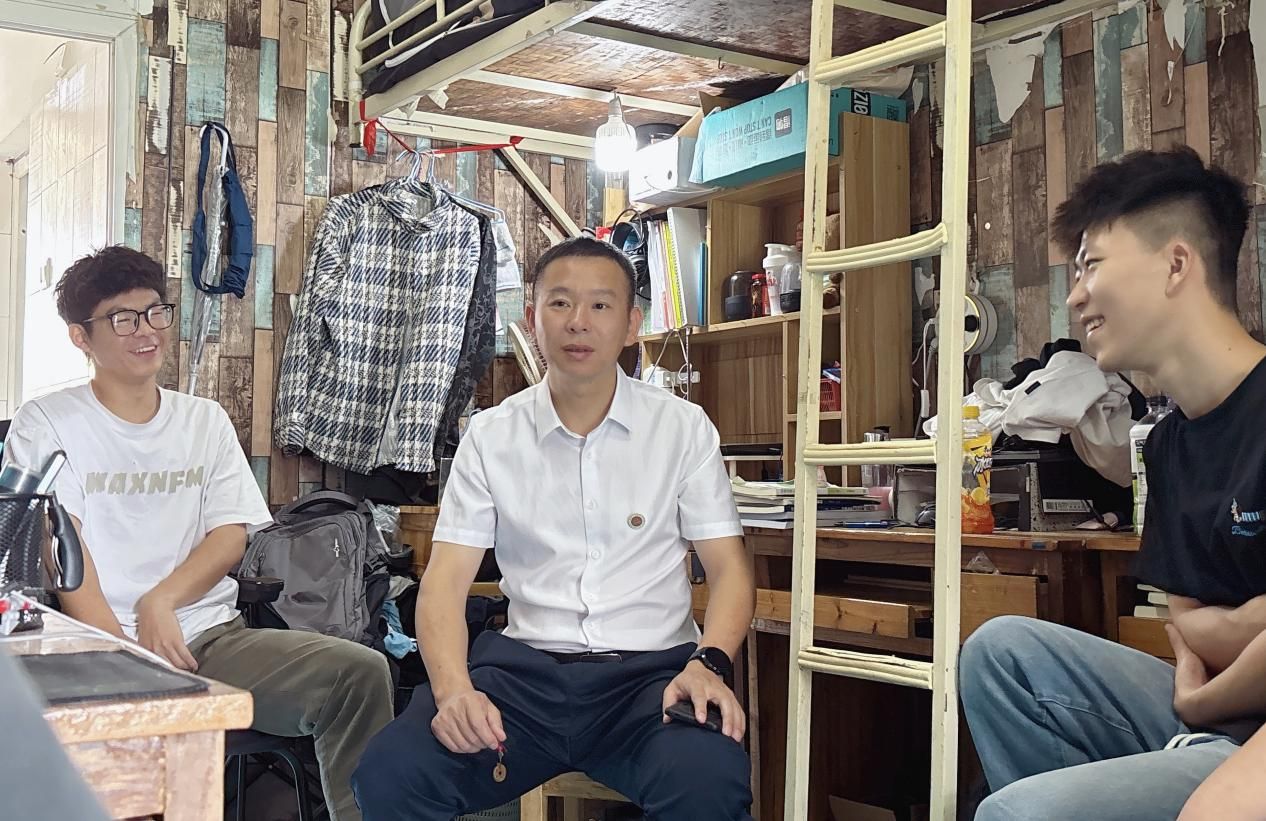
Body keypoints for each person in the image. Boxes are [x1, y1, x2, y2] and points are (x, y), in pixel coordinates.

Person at [352, 236, 756, 820]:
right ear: (532, 318)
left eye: (600, 305)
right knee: (392, 773)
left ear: (631, 324)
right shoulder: (491, 437)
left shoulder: (682, 429)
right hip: (522, 682)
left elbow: (729, 570)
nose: (578, 322)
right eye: (560, 303)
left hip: (651, 681)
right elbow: (443, 584)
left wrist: (709, 662)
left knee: (708, 782)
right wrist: (453, 689)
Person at [2, 246, 394, 821]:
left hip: (210, 639)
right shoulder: (48, 421)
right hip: (97, 648)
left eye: (155, 312)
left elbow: (229, 535)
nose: (146, 331)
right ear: (80, 337)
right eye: (122, 318)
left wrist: (161, 600)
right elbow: (62, 548)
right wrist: (120, 657)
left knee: (360, 672)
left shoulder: (203, 419)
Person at [960, 146, 1266, 819]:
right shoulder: (1167, 445)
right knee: (998, 653)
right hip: (1207, 717)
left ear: (1176, 265)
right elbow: (1190, 625)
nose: (1075, 297)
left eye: (1091, 265)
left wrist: (1203, 699)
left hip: (1223, 718)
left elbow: (1207, 640)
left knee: (1013, 812)